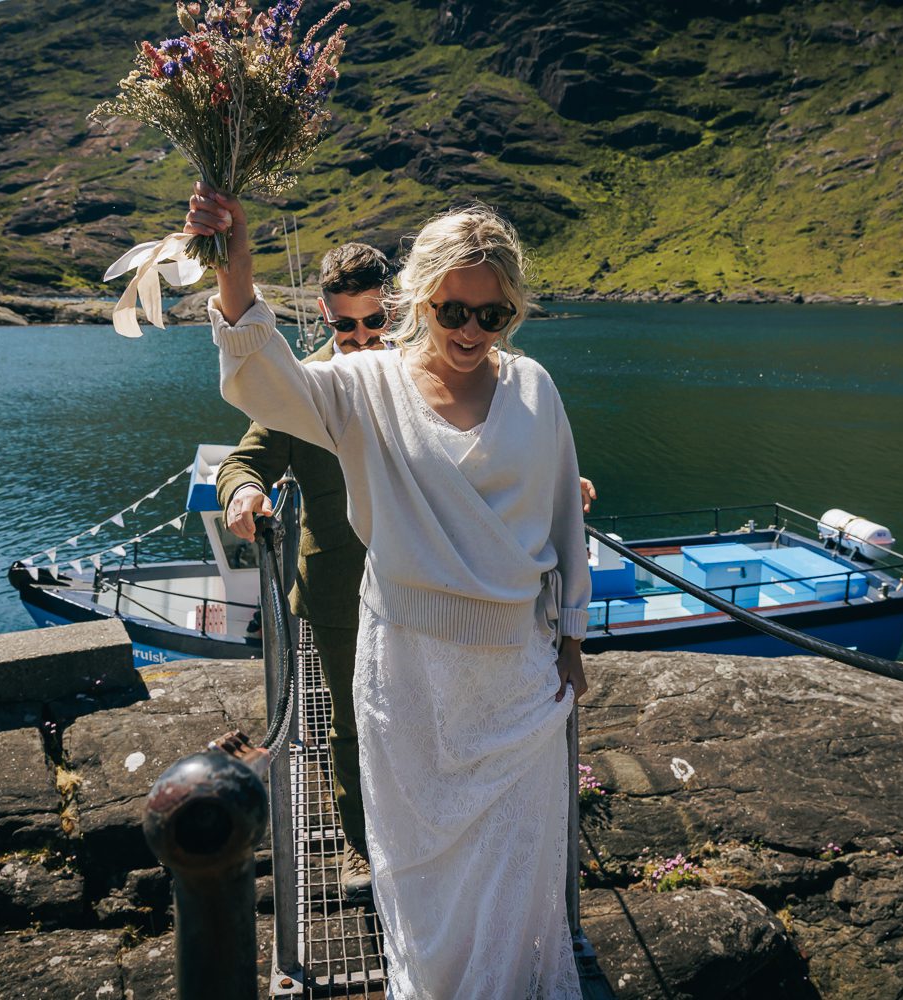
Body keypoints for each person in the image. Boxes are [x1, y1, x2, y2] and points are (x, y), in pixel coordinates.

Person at [186, 181, 590, 998]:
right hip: (406, 664)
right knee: (421, 864)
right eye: (452, 311)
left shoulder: (536, 389)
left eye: (494, 315)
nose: (472, 331)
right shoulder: (366, 387)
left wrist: (572, 642)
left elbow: (561, 522)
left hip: (515, 668)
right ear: (419, 301)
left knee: (514, 859)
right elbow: (265, 385)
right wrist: (236, 266)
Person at [215, 241, 392, 900]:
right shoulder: (303, 384)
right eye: (345, 325)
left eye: (373, 323)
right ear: (323, 315)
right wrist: (241, 494)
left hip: (422, 580)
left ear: (392, 309)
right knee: (350, 720)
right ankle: (357, 843)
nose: (361, 338)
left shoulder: (421, 372)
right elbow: (245, 458)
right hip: (339, 589)